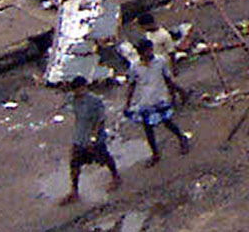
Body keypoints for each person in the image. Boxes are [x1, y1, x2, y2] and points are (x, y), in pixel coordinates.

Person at [123, 33, 190, 164]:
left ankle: (181, 138)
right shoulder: (135, 67)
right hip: (145, 101)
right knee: (148, 129)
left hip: (159, 98)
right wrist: (127, 103)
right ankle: (155, 153)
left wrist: (174, 94)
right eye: (146, 51)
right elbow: (131, 85)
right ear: (140, 53)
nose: (150, 53)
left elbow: (167, 79)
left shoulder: (160, 61)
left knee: (167, 122)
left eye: (150, 50)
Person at [60, 78, 121, 204]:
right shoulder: (72, 98)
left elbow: (100, 119)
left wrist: (93, 137)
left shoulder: (94, 101)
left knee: (103, 156)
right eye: (76, 90)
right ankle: (74, 191)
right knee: (75, 163)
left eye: (80, 89)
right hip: (80, 136)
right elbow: (66, 102)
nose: (78, 92)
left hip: (94, 136)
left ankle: (115, 176)